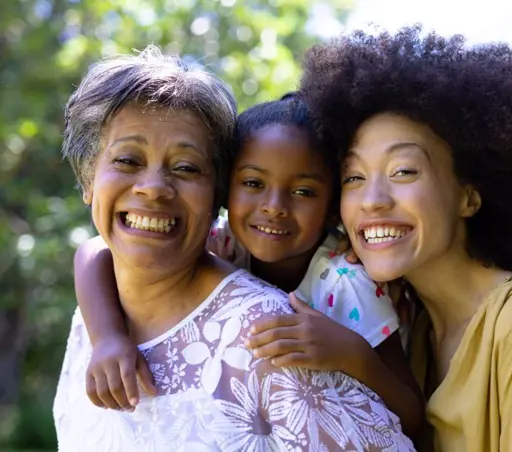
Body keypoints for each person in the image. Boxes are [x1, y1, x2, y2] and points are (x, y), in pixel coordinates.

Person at [53, 45, 415, 451]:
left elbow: (409, 423)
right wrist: (107, 336)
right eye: (127, 160)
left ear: (213, 194)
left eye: (186, 167)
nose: (274, 209)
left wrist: (355, 355)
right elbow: (93, 250)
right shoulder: (218, 243)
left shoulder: (330, 291)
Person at [300, 25, 512, 451]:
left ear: (469, 195)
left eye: (403, 171)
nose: (372, 200)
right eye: (354, 177)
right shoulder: (415, 326)